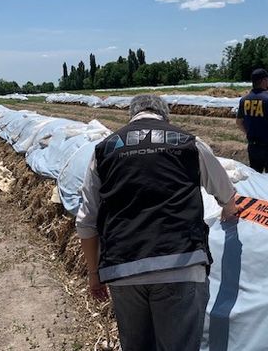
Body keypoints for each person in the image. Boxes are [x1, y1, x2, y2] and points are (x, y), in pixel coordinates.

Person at [76, 94, 239, 351]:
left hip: (123, 270)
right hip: (181, 265)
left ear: (131, 116)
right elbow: (228, 196)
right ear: (165, 116)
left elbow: (86, 221)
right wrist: (228, 212)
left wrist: (94, 275)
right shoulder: (189, 143)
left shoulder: (103, 150)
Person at [236, 68, 268, 174]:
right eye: (267, 80)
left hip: (253, 146)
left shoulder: (244, 100)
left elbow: (238, 122)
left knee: (256, 178)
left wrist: (248, 132)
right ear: (264, 81)